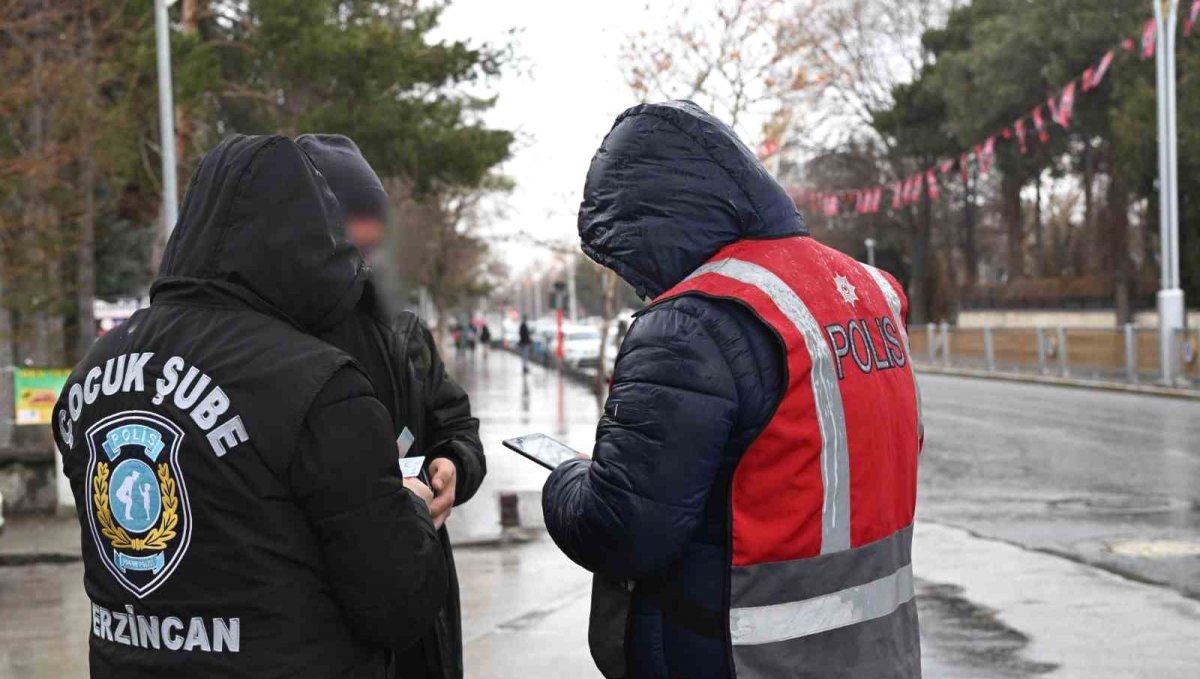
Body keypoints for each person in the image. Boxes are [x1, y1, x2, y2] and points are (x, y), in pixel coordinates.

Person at [541, 101, 923, 679]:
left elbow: (622, 529)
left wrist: (565, 480)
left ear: (651, 226)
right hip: (878, 650)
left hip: (741, 653)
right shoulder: (870, 289)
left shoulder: (693, 321)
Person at [51, 134, 446, 678]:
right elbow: (399, 604)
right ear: (305, 236)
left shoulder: (91, 375)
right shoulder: (319, 385)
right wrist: (415, 511)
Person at [297, 134, 486, 679]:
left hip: (422, 614)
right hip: (329, 621)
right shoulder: (276, 337)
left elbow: (455, 423)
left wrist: (455, 465)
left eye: (374, 222)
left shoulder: (403, 329)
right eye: (354, 221)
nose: (368, 239)